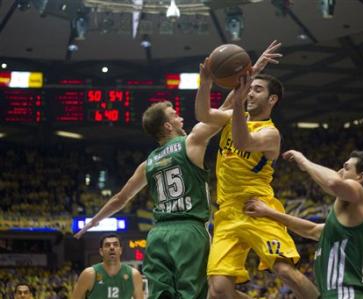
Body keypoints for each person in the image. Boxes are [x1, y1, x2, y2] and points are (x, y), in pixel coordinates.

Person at [74, 93, 235, 298]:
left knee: (160, 294)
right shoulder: (191, 142)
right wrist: (242, 87)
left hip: (158, 235)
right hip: (189, 231)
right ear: (168, 126)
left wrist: (92, 222)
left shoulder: (148, 163)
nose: (181, 118)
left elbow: (119, 199)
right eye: (175, 115)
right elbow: (218, 115)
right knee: (192, 293)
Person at [195, 41, 319, 299]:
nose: (250, 93)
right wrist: (206, 81)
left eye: (258, 90)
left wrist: (237, 103)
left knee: (284, 271)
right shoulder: (231, 117)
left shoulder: (270, 133)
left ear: (272, 99)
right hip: (226, 212)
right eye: (249, 89)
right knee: (218, 290)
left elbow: (243, 142)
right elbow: (204, 114)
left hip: (259, 208)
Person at [245, 150, 363, 298]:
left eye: (347, 167)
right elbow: (311, 230)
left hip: (346, 295)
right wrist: (269, 213)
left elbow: (334, 183)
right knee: (283, 270)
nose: (340, 171)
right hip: (337, 294)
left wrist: (303, 161)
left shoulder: (361, 194)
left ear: (360, 177)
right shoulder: (352, 224)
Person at [72, 233, 144, 299]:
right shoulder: (89, 274)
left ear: (120, 250)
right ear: (101, 251)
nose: (112, 247)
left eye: (115, 244)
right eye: (107, 245)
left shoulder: (134, 275)